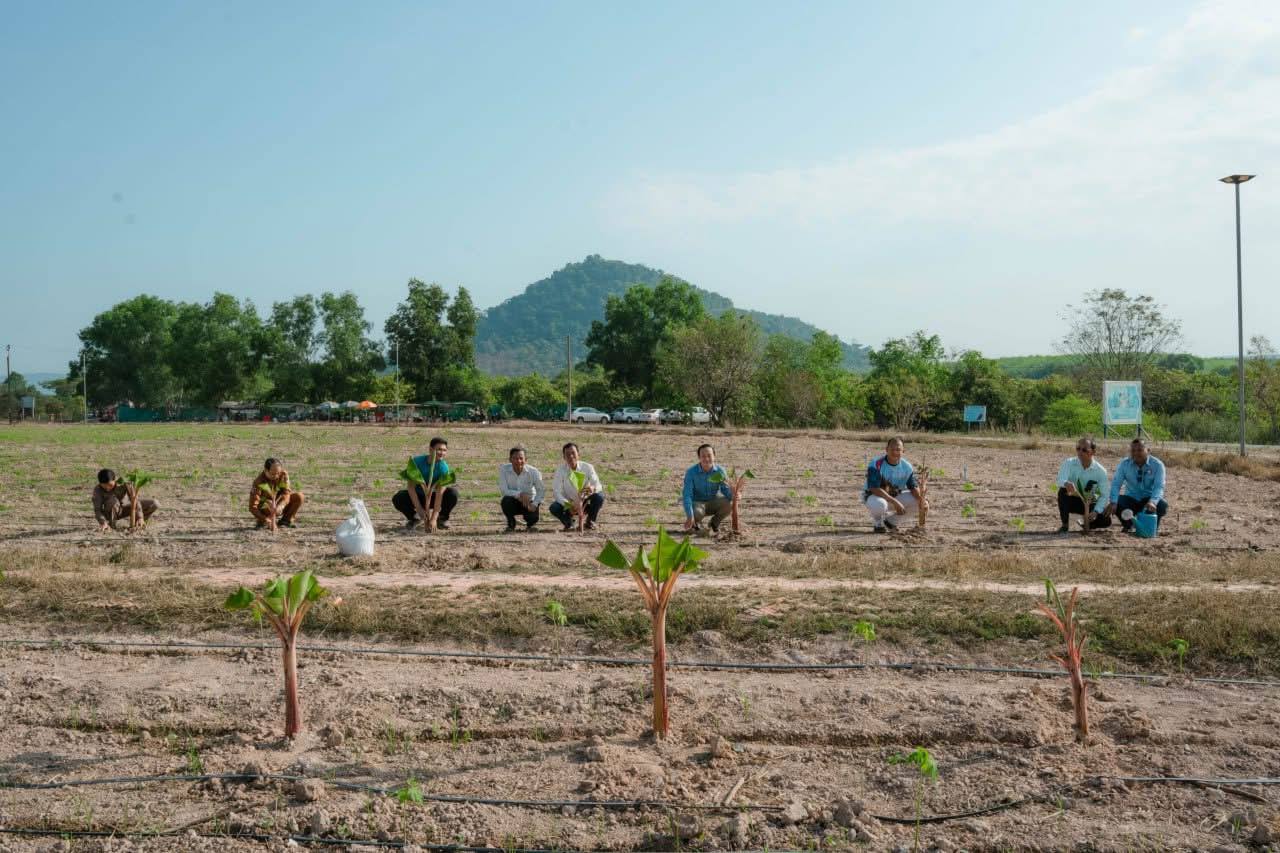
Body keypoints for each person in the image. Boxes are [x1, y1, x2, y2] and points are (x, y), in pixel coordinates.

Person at [862, 437, 928, 533]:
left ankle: (891, 522)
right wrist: (895, 502)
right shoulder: (876, 464)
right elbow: (874, 488)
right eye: (892, 449)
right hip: (873, 497)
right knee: (880, 504)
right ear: (886, 450)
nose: (895, 452)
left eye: (898, 449)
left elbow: (913, 486)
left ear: (903, 451)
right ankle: (878, 523)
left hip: (894, 495)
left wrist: (921, 500)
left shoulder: (907, 467)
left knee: (921, 503)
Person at [393, 436, 459, 531]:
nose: (442, 453)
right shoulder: (417, 462)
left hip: (434, 497)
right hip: (419, 496)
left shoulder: (443, 468)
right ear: (431, 449)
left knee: (453, 493)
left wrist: (433, 518)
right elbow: (411, 488)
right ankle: (414, 518)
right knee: (398, 498)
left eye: (444, 450)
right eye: (439, 449)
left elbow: (440, 494)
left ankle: (442, 519)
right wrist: (420, 510)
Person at [1106, 437, 1168, 533]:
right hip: (1131, 499)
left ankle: (1152, 527)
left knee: (1162, 505)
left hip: (1148, 501)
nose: (1136, 453)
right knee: (1116, 501)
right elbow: (1116, 484)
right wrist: (1113, 501)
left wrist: (1153, 501)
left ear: (1148, 450)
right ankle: (1128, 525)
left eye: (1140, 450)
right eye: (1133, 450)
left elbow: (1159, 486)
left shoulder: (1158, 465)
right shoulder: (1124, 464)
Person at [1056, 436, 1111, 532]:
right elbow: (1060, 480)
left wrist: (1096, 511)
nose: (1080, 452)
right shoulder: (1069, 463)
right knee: (1062, 491)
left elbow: (1104, 495)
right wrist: (1066, 483)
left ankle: (1084, 522)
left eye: (1084, 450)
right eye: (1078, 448)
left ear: (1093, 452)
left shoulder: (1101, 471)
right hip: (1072, 499)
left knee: (1106, 521)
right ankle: (1065, 524)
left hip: (1090, 502)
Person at [550, 442, 604, 531]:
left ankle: (590, 522)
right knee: (554, 507)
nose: (571, 456)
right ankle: (569, 523)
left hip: (585, 502)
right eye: (567, 454)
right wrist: (568, 504)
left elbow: (597, 485)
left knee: (599, 497)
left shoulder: (588, 467)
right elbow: (557, 492)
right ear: (564, 457)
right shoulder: (560, 471)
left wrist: (592, 488)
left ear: (578, 455)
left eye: (573, 453)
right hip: (569, 504)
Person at [682, 444, 733, 534]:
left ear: (714, 456)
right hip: (697, 503)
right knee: (697, 513)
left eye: (709, 455)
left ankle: (714, 524)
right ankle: (694, 524)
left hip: (713, 500)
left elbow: (725, 490)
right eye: (703, 456)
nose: (706, 459)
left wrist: (734, 495)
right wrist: (690, 515)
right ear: (699, 458)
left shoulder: (720, 471)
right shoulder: (691, 472)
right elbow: (687, 495)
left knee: (728, 504)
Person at [92, 468, 158, 531]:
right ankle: (111, 526)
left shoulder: (124, 482)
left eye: (110, 485)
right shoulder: (97, 490)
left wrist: (140, 517)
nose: (108, 488)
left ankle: (138, 524)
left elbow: (135, 501)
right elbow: (97, 510)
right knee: (113, 500)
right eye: (104, 486)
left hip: (125, 509)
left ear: (114, 479)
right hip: (109, 512)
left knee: (154, 503)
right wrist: (103, 522)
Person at [249, 457, 305, 529]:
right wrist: (265, 519)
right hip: (265, 508)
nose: (276, 476)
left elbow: (286, 493)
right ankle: (262, 522)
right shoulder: (258, 482)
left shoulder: (283, 475)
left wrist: (281, 505)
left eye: (278, 473)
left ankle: (286, 521)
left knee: (299, 496)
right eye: (273, 474)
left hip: (278, 503)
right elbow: (252, 507)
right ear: (266, 470)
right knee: (268, 503)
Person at [499, 445, 545, 532]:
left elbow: (541, 490)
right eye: (515, 458)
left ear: (526, 460)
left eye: (521, 458)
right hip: (514, 500)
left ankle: (530, 525)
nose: (518, 461)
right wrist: (519, 494)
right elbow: (504, 490)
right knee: (505, 501)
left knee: (533, 517)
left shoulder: (534, 472)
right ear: (510, 459)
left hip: (529, 501)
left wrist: (534, 504)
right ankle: (511, 523)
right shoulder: (504, 470)